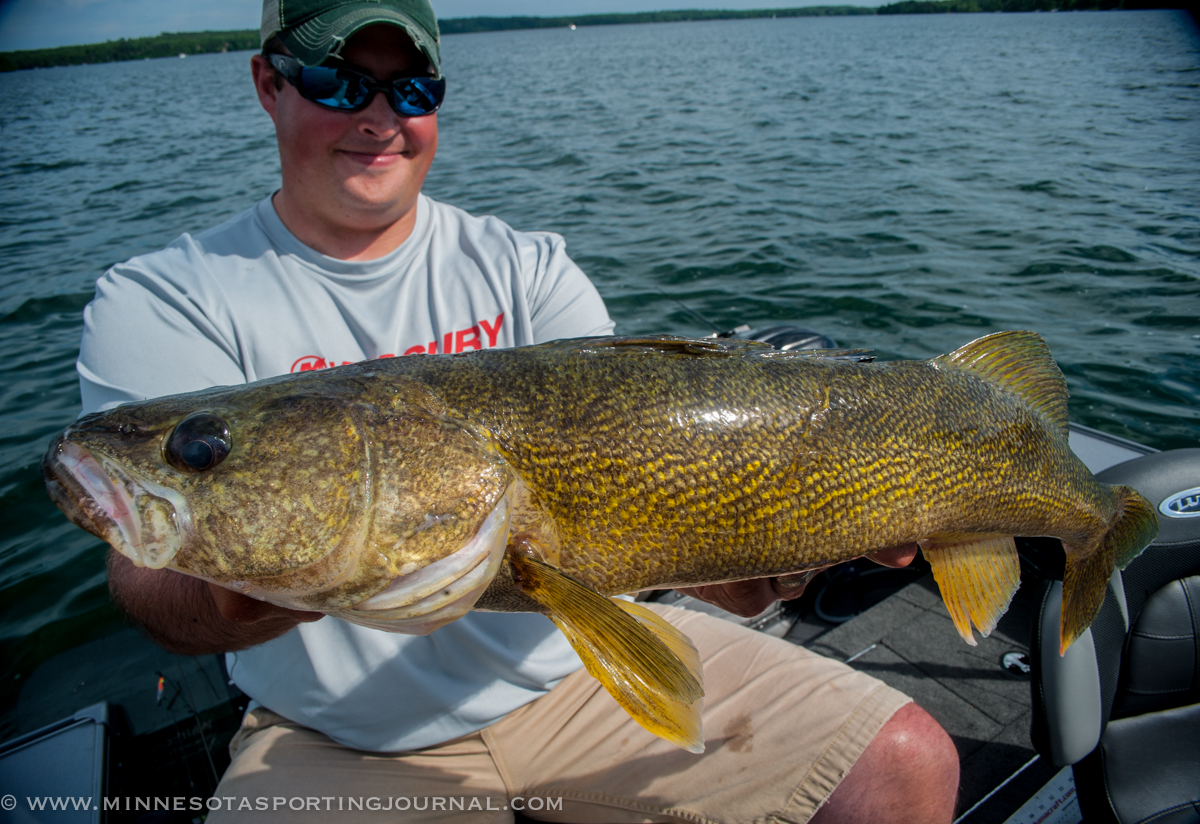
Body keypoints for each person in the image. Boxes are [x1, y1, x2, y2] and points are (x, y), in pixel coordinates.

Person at [78, 1, 960, 821]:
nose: (379, 117)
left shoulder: (525, 265)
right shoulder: (166, 299)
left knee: (906, 761)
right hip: (335, 734)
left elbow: (640, 505)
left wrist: (751, 562)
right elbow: (149, 584)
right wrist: (257, 586)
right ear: (269, 85)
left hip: (574, 668)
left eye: (412, 88)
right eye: (338, 82)